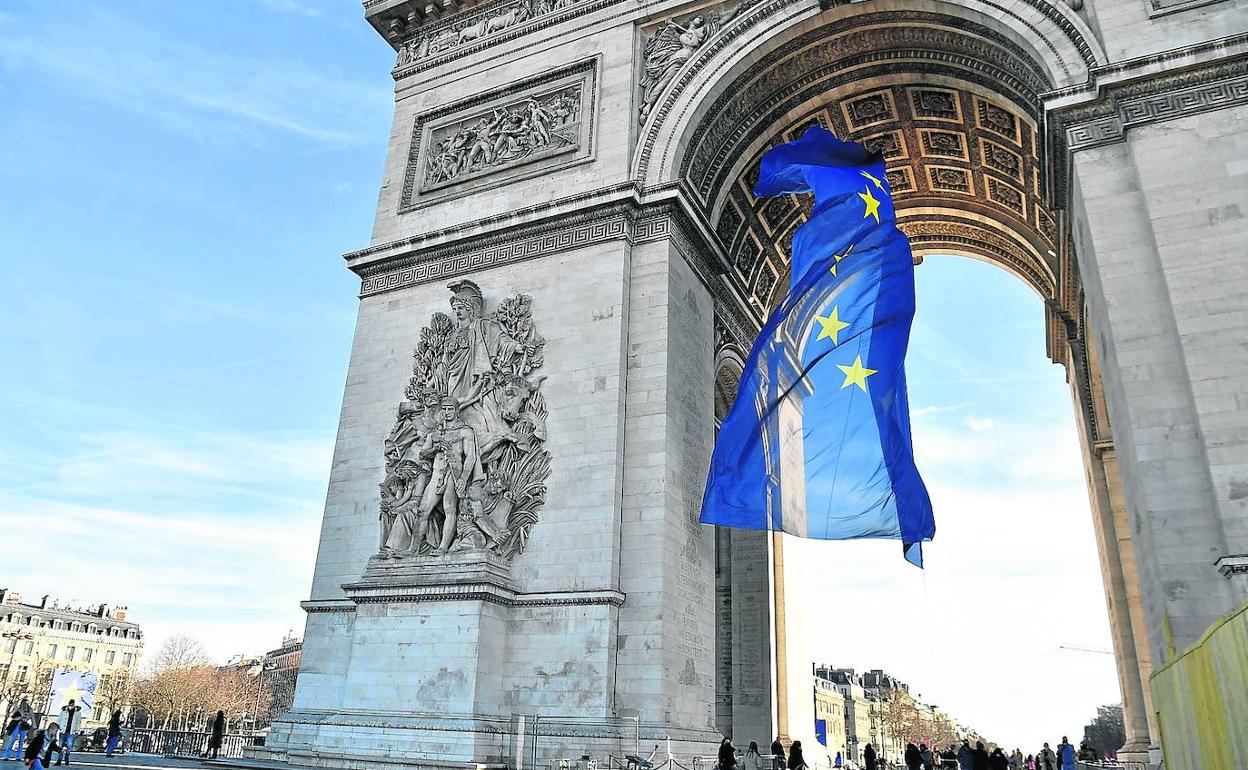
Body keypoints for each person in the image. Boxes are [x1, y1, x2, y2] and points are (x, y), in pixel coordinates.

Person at [55, 700, 81, 766]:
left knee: (69, 746)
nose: (71, 706)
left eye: (72, 705)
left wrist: (77, 731)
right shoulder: (63, 711)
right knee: (60, 746)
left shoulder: (77, 713)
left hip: (71, 732)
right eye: (70, 704)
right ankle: (59, 760)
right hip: (63, 731)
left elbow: (78, 722)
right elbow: (59, 720)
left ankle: (66, 758)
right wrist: (57, 727)